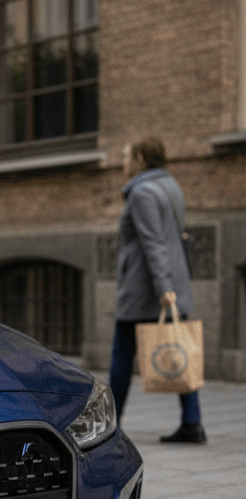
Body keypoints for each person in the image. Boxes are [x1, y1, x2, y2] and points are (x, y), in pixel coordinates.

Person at [109, 136, 205, 443]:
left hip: (146, 290)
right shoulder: (171, 186)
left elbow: (153, 243)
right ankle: (192, 422)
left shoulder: (142, 193)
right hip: (172, 284)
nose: (124, 163)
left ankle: (109, 424)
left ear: (140, 159)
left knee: (122, 356)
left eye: (127, 156)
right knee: (181, 351)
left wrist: (164, 289)